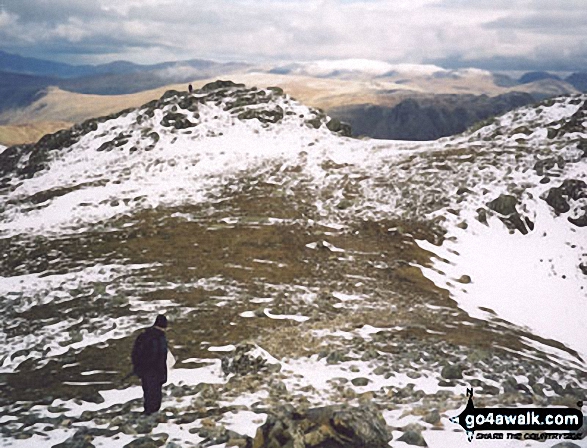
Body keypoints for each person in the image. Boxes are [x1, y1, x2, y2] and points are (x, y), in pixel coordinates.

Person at [131, 314, 168, 415]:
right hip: (156, 370)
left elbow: (135, 353)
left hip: (144, 370)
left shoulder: (144, 335)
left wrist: (137, 367)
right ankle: (152, 415)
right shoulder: (160, 338)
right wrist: (163, 374)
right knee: (155, 393)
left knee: (147, 391)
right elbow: (161, 356)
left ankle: (147, 411)